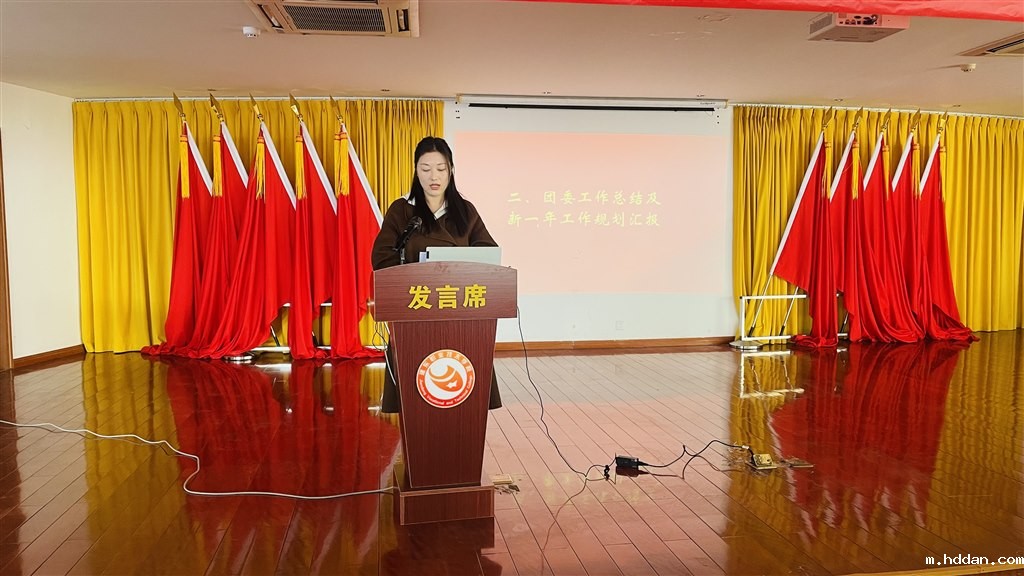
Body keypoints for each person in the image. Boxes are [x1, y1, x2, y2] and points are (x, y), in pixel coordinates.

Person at [371, 136, 502, 413]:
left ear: (451, 170)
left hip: (461, 314)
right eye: (426, 168)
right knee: (419, 396)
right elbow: (382, 257)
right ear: (416, 171)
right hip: (416, 312)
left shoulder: (465, 211)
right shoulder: (402, 211)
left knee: (462, 395)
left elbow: (487, 253)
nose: (434, 176)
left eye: (441, 169)